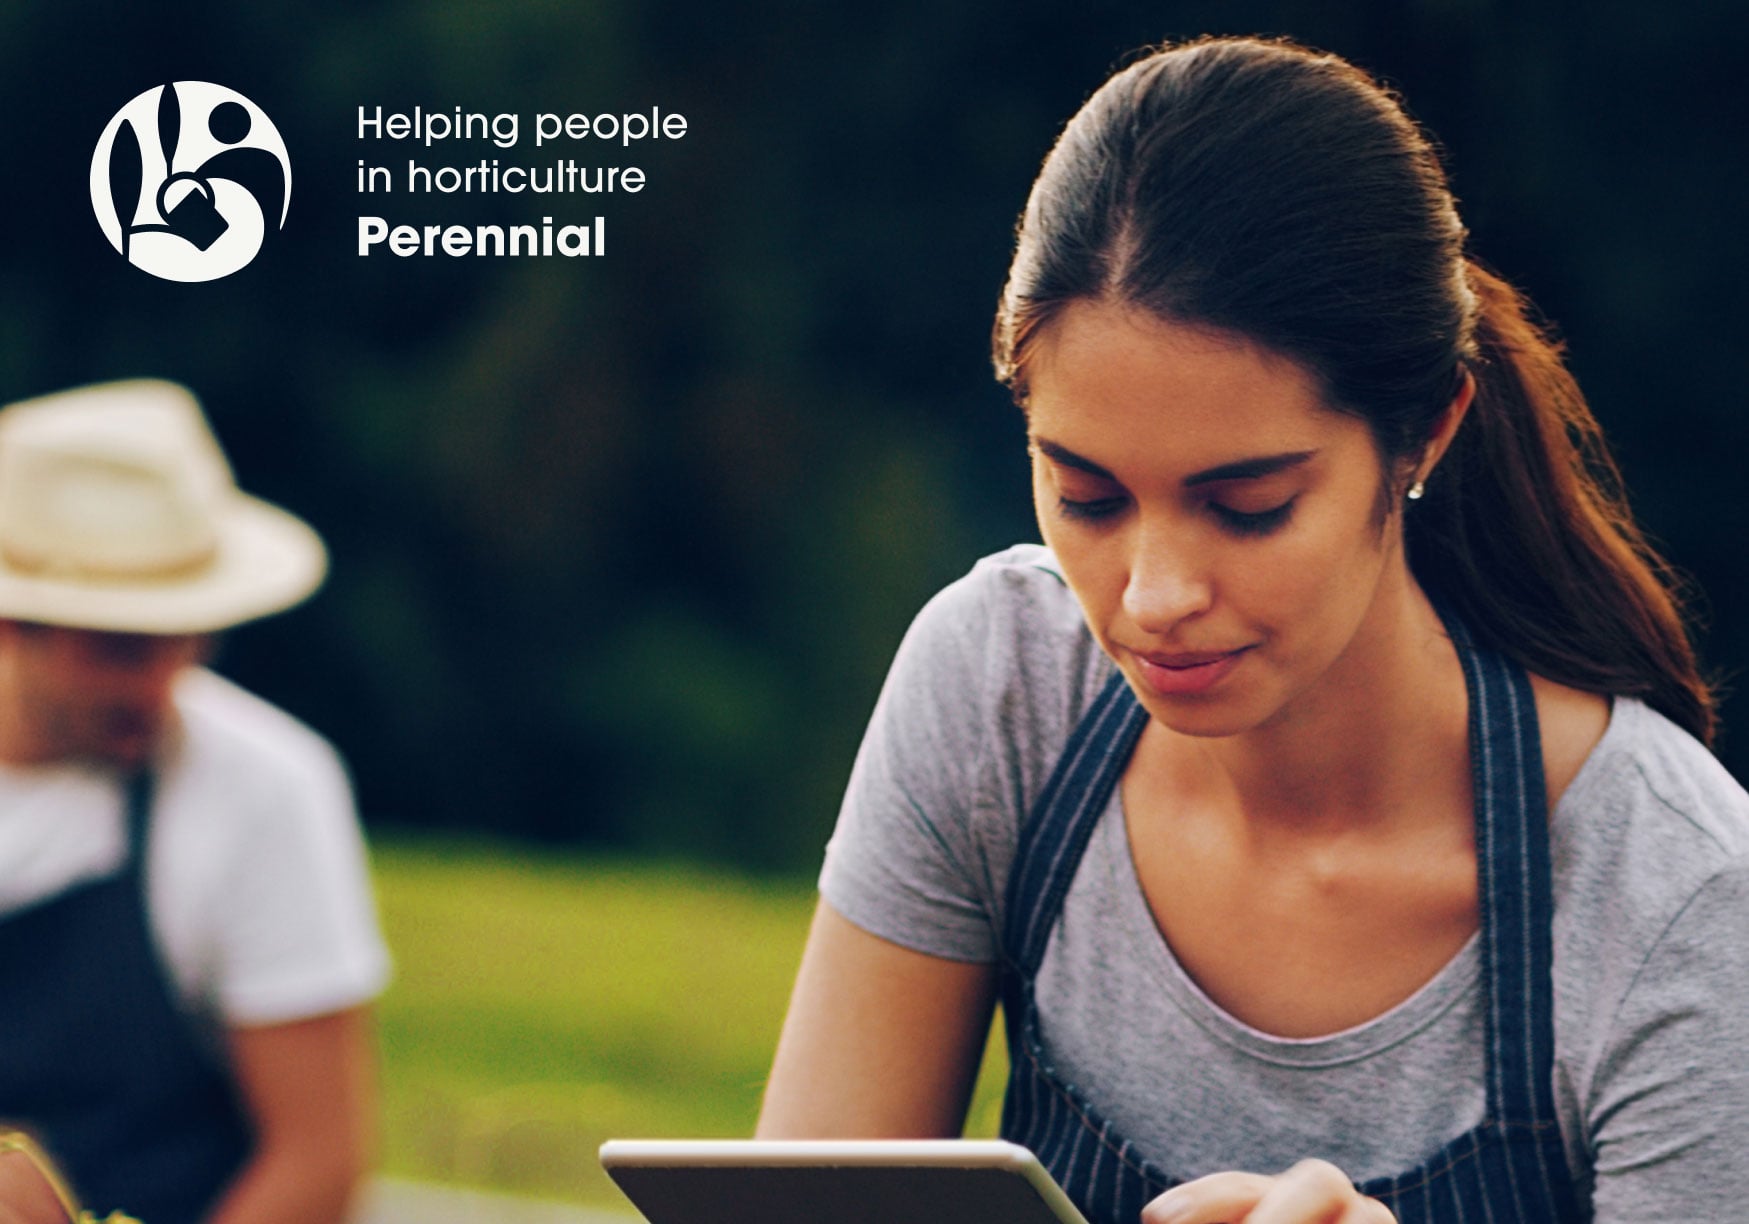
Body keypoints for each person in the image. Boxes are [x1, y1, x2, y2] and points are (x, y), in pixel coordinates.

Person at [757, 35, 1749, 1224]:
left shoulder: (1681, 901)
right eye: (1087, 497)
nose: (1152, 595)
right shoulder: (1003, 687)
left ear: (1427, 432)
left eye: (1248, 508)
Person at [0, 380, 390, 1224]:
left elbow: (317, 1159)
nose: (162, 684)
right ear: (10, 625)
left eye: (186, 637)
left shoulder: (264, 789)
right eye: (118, 649)